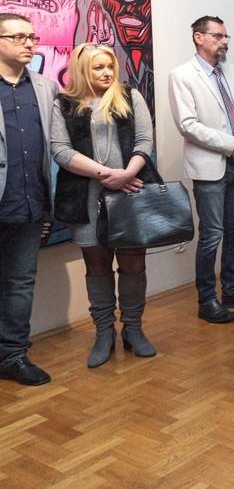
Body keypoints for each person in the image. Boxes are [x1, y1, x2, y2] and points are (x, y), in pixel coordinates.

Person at [51, 43, 156, 367]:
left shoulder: (129, 96)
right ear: (82, 69)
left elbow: (145, 141)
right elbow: (60, 150)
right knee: (96, 267)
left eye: (110, 66)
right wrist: (107, 175)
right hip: (84, 200)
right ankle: (104, 333)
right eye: (99, 67)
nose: (107, 72)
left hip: (131, 194)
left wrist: (126, 174)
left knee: (133, 265)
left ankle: (133, 329)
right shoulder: (64, 104)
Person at [167, 16, 234, 325]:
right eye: (218, 36)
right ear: (198, 37)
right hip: (210, 167)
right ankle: (206, 300)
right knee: (211, 234)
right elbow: (188, 125)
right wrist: (231, 146)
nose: (225, 41)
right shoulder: (182, 75)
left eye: (226, 36)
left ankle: (231, 290)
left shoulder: (230, 71)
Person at [0, 13, 58, 385]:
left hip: (30, 202)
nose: (28, 43)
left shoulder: (46, 87)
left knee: (20, 282)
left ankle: (12, 355)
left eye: (31, 37)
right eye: (18, 36)